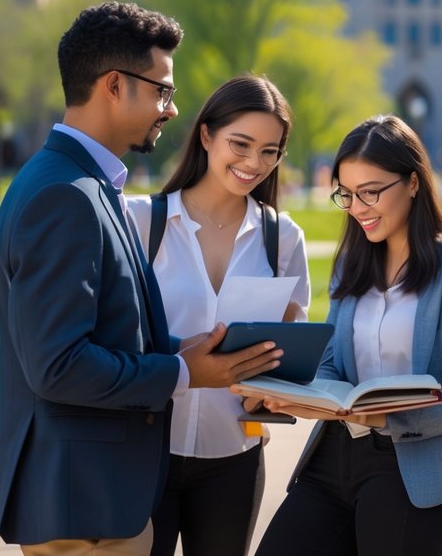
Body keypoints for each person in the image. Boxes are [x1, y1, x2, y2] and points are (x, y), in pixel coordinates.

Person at [0, 1, 282, 554]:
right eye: (162, 91)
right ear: (115, 86)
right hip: (83, 507)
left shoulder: (87, 186)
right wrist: (180, 370)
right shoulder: (63, 196)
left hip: (98, 499)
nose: (170, 110)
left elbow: (106, 331)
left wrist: (184, 349)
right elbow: (58, 366)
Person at [253, 115, 442, 556]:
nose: (358, 207)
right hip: (334, 456)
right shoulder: (351, 263)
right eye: (346, 194)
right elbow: (333, 364)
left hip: (413, 466)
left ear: (413, 183)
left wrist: (391, 418)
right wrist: (304, 396)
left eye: (371, 192)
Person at [127, 76, 311, 556]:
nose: (254, 163)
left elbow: (287, 354)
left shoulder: (283, 238)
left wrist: (274, 395)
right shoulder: (141, 222)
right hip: (145, 454)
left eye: (270, 151)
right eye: (241, 144)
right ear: (206, 135)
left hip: (235, 457)